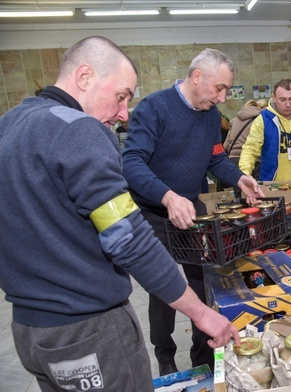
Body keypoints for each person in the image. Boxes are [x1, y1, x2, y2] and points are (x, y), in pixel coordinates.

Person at [0, 36, 239, 392]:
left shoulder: (10, 123)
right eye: (122, 96)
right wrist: (203, 314)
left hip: (32, 331)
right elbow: (128, 239)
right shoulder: (81, 130)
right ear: (84, 77)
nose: (124, 113)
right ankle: (167, 354)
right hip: (88, 328)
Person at [122, 48, 263, 375]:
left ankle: (203, 356)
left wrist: (240, 178)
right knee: (164, 287)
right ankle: (165, 353)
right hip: (154, 212)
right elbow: (131, 163)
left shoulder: (211, 115)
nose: (223, 97)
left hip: (193, 209)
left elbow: (215, 158)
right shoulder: (154, 108)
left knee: (202, 283)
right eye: (220, 88)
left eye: (227, 90)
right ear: (197, 76)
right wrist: (167, 196)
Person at [239, 78, 291, 181]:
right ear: (274, 98)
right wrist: (245, 173)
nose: (288, 104)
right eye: (282, 100)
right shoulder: (262, 120)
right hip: (273, 184)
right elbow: (250, 149)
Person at [223, 98, 268, 173]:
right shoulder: (261, 121)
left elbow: (226, 145)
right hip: (254, 162)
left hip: (233, 160)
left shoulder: (234, 120)